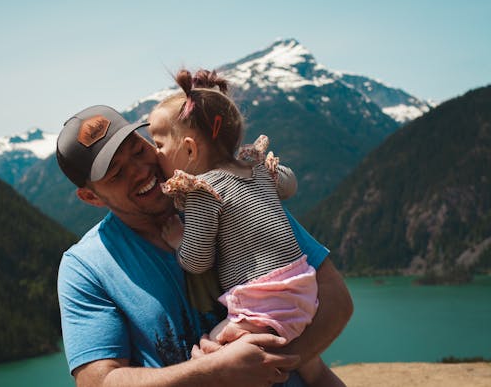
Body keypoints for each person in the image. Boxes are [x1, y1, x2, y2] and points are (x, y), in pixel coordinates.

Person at [56, 104, 353, 387]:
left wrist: (266, 365)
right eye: (117, 173)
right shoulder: (85, 268)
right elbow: (98, 380)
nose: (140, 170)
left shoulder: (228, 189)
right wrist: (216, 373)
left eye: (138, 149)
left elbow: (336, 299)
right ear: (90, 197)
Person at [148, 69, 344, 387]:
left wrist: (178, 241)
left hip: (262, 302)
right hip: (302, 287)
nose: (154, 153)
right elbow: (289, 184)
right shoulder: (254, 167)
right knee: (315, 371)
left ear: (189, 149)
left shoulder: (203, 190)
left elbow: (198, 261)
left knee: (210, 358)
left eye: (159, 144)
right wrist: (271, 176)